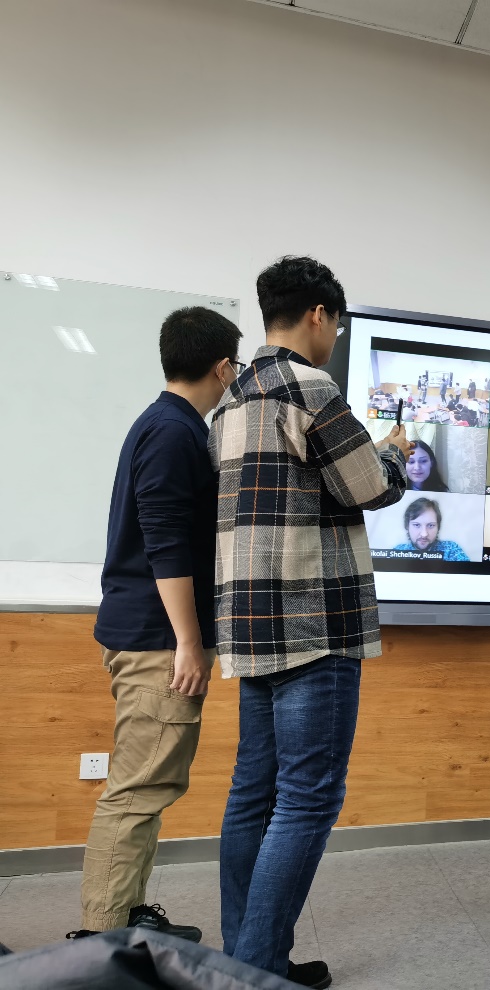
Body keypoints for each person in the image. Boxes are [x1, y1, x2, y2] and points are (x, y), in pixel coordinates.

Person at [210, 256, 411, 989]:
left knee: (253, 795)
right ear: (320, 315)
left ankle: (245, 960)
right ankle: (258, 969)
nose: (335, 336)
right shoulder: (312, 387)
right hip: (313, 620)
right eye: (338, 324)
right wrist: (393, 456)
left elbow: (293, 489)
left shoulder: (230, 400)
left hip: (249, 620)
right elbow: (368, 487)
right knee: (308, 797)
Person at [69, 307, 242, 945]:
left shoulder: (165, 423)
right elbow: (166, 544)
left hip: (146, 632)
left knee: (148, 786)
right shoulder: (173, 432)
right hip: (158, 640)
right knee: (138, 790)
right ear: (223, 368)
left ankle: (124, 916)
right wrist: (189, 643)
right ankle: (104, 942)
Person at [391, 497, 470, 559]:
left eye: (430, 525)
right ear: (407, 526)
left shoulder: (451, 550)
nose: (424, 534)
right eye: (416, 525)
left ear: (438, 527)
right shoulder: (397, 552)